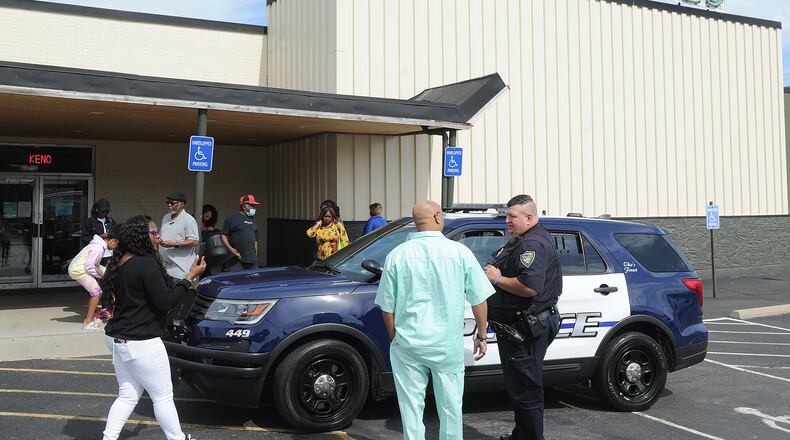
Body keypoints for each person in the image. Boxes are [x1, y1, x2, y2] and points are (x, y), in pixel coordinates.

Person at [374, 200, 494, 440]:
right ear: (439, 217)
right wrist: (482, 335)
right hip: (446, 344)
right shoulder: (459, 252)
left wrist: (394, 336)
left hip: (408, 343)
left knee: (410, 408)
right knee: (450, 407)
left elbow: (387, 306)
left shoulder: (397, 255)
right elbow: (479, 299)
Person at [99, 215, 205, 440]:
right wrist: (189, 279)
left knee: (127, 396)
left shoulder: (120, 262)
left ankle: (108, 438)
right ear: (140, 236)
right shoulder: (145, 264)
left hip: (118, 339)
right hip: (142, 342)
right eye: (153, 232)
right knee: (163, 397)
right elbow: (165, 302)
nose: (158, 237)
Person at [483, 194, 562, 440]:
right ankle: (522, 435)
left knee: (526, 389)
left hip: (526, 328)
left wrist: (496, 279)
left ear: (529, 217)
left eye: (512, 216)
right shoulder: (525, 238)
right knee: (519, 385)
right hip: (523, 325)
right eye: (507, 215)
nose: (507, 221)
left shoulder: (532, 244)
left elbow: (530, 286)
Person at [68, 232, 119, 330]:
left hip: (79, 269)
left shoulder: (98, 246)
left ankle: (93, 317)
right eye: (116, 244)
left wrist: (103, 273)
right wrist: (102, 276)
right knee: (96, 293)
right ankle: (88, 322)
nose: (115, 247)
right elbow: (90, 266)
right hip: (79, 270)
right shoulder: (98, 248)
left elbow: (94, 266)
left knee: (95, 292)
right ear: (112, 241)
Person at [158, 192, 200, 279]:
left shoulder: (189, 220)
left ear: (182, 204)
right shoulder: (166, 217)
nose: (169, 205)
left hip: (180, 271)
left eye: (172, 203)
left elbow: (194, 241)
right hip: (165, 268)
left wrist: (174, 244)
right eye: (168, 203)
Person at [221, 194, 261, 272]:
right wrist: (230, 249)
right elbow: (223, 235)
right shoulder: (232, 218)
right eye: (252, 205)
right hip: (236, 260)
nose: (254, 208)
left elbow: (255, 238)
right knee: (237, 282)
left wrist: (255, 253)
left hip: (252, 261)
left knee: (252, 282)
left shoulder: (253, 219)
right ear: (244, 206)